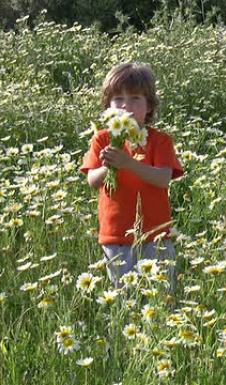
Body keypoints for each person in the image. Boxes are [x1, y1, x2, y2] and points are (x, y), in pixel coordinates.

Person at [80, 62, 184, 294]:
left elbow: (163, 178)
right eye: (118, 99)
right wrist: (110, 167)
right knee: (123, 297)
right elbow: (93, 181)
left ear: (149, 107)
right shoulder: (102, 140)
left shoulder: (159, 141)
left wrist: (128, 163)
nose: (126, 106)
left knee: (160, 295)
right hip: (116, 236)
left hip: (155, 235)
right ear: (108, 106)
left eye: (136, 98)